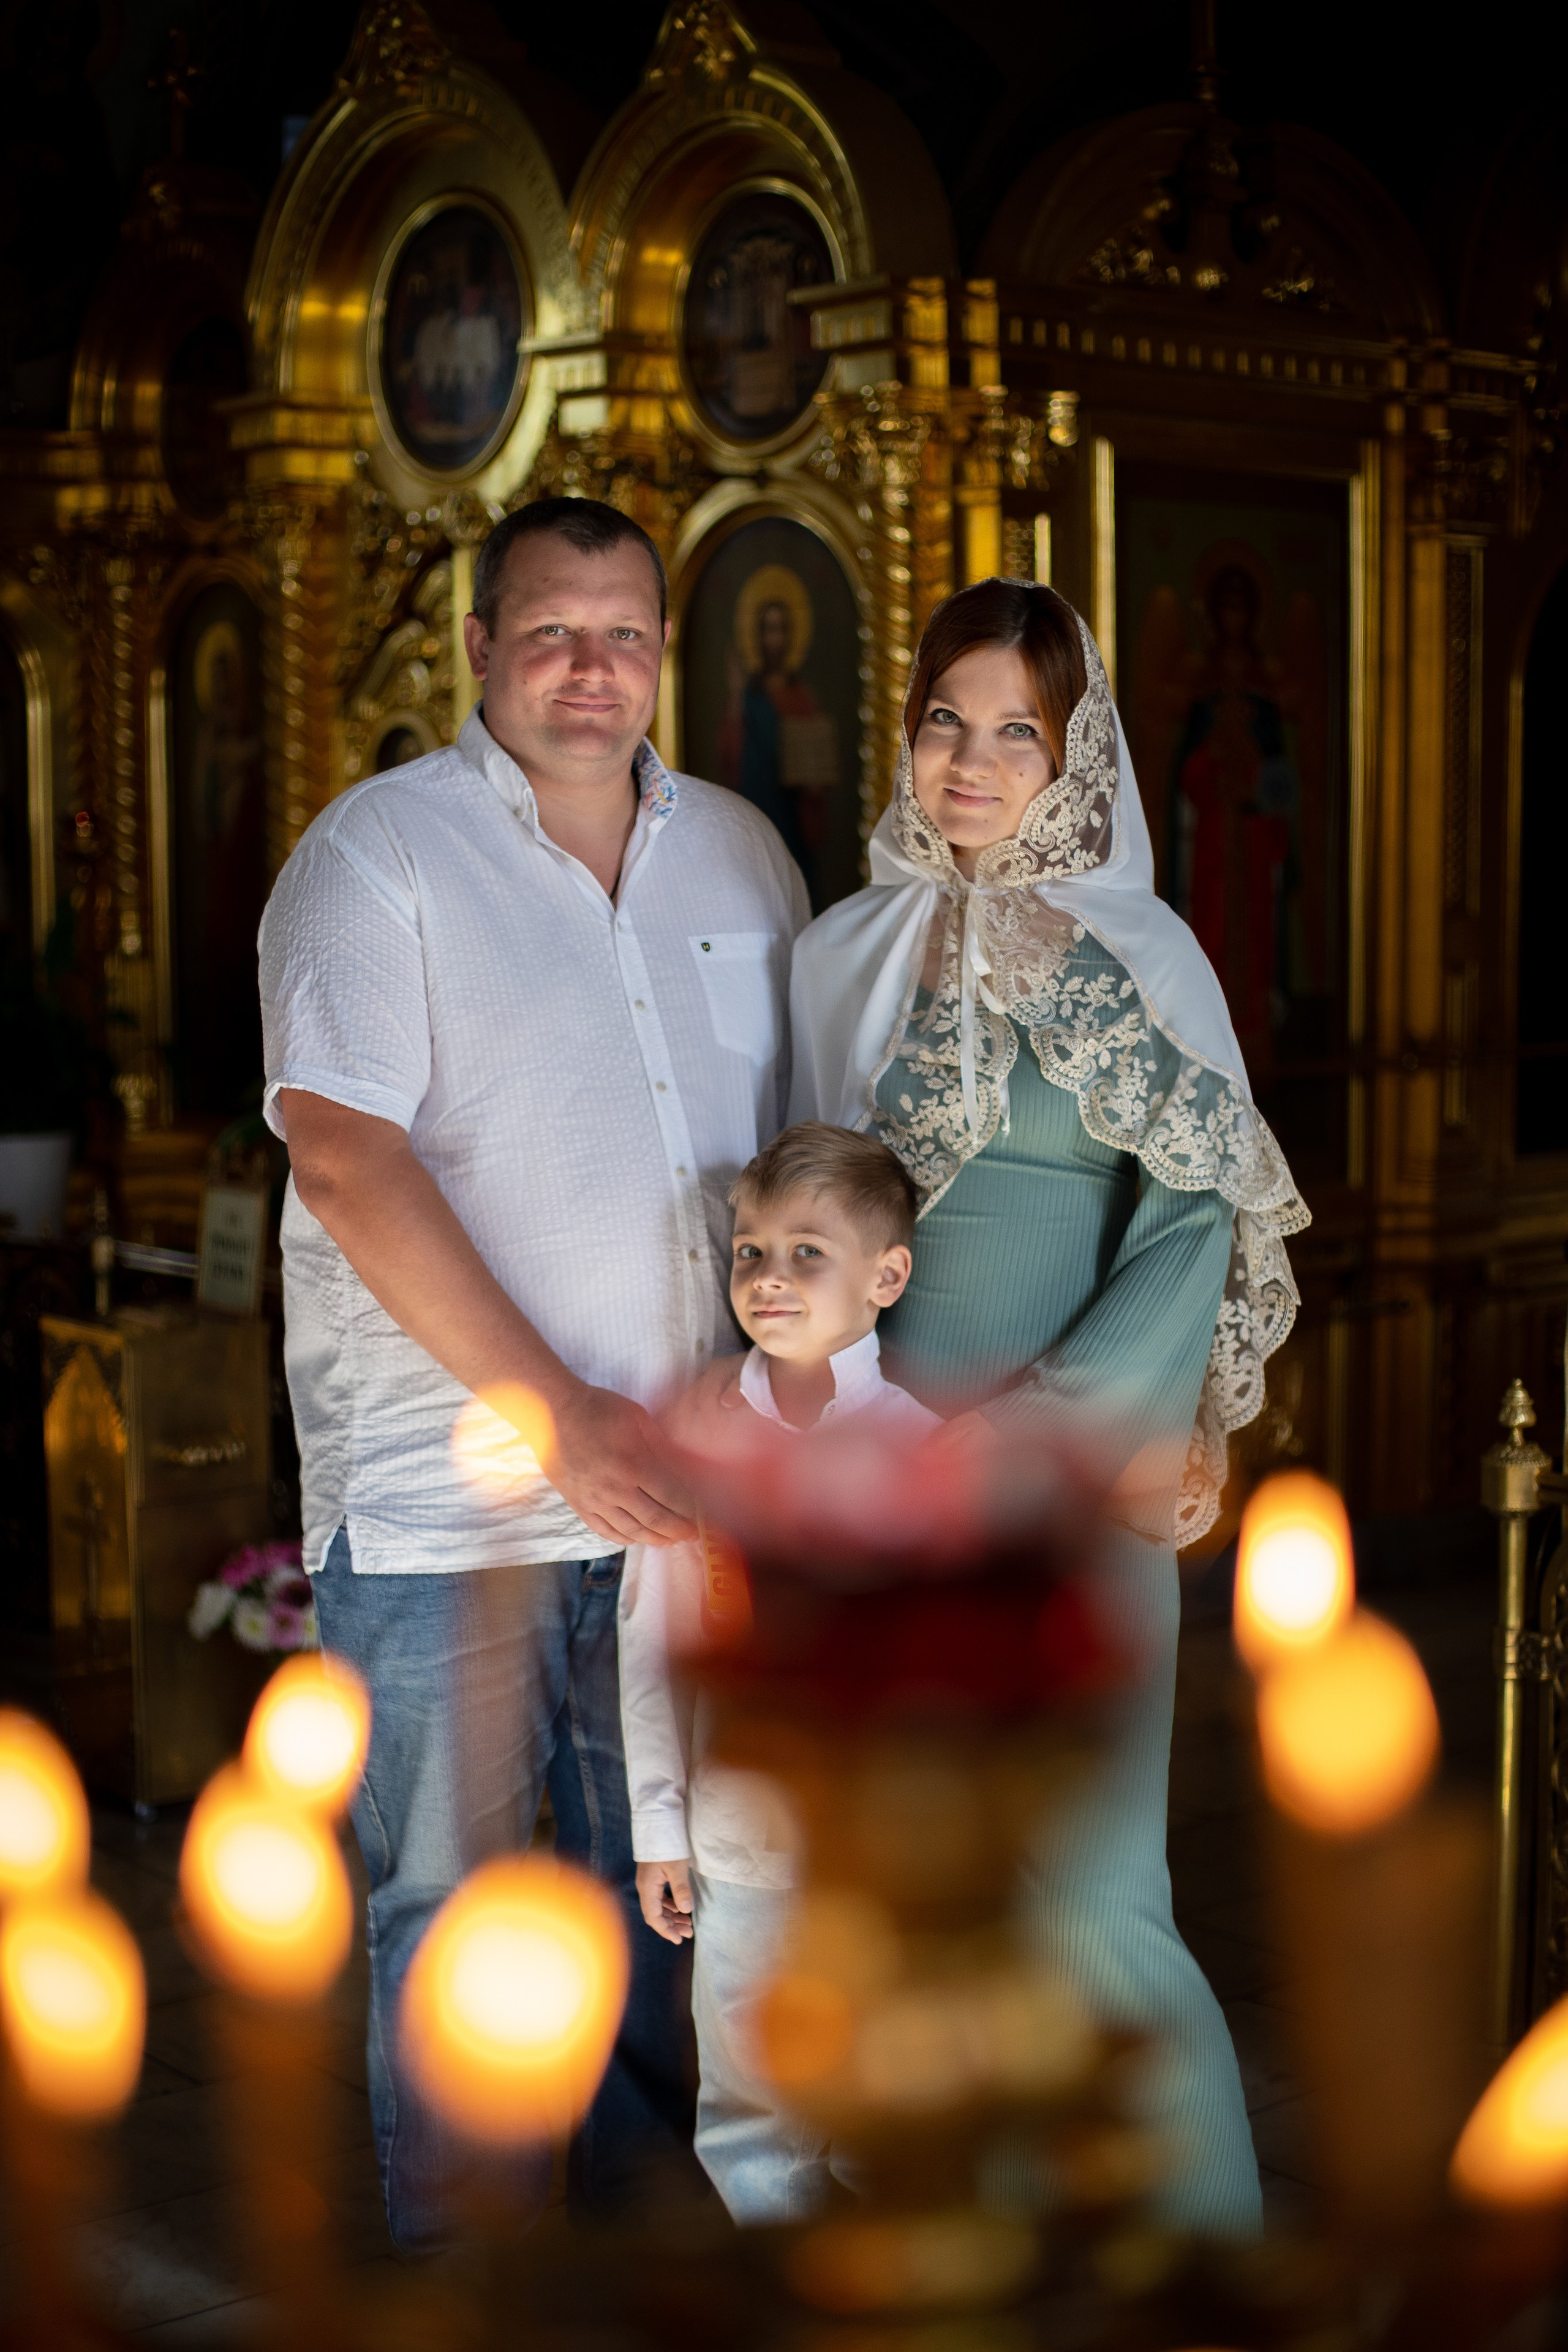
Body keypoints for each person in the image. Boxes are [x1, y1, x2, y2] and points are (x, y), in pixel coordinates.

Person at [258, 496, 810, 2251]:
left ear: (671, 653)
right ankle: (472, 2288)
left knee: (676, 1897)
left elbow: (789, 1152)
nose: (593, 666)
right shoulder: (378, 856)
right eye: (553, 631)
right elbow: (345, 1158)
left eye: (628, 632)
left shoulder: (745, 857)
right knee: (465, 1911)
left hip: (687, 1500)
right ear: (479, 648)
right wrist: (549, 1411)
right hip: (456, 1504)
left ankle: (657, 2271)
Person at [788, 577, 1310, 2237]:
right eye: (948, 715)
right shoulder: (840, 952)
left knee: (1095, 1907)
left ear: (1079, 762)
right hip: (877, 1503)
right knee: (923, 1919)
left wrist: (1017, 1447)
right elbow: (801, 1228)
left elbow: (1191, 1227)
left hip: (1066, 1501)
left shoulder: (1135, 960)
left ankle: (1216, 2292)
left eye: (1021, 729)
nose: (972, 756)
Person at [619, 1121, 939, 2222]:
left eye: (810, 1252)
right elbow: (654, 1643)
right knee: (751, 2100)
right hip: (739, 1842)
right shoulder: (697, 1446)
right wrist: (660, 1824)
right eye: (751, 1251)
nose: (769, 1277)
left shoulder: (928, 1456)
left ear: (886, 1276)